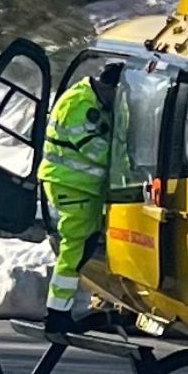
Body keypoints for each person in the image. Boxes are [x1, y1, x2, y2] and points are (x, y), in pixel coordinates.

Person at [37, 63, 122, 337]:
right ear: (107, 88)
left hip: (80, 188)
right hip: (72, 187)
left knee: (81, 246)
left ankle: (59, 312)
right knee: (75, 248)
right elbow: (96, 151)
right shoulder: (80, 106)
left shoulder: (87, 98)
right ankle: (58, 315)